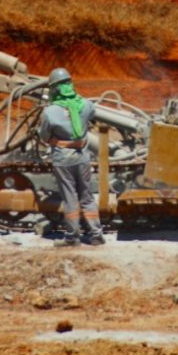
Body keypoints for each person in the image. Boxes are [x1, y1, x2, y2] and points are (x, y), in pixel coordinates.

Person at [38, 67, 105, 246]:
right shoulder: (85, 105)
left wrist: (57, 140)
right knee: (87, 196)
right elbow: (91, 115)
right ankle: (96, 234)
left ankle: (72, 237)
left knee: (70, 198)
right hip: (82, 155)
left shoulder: (50, 112)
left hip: (62, 158)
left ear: (54, 89)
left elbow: (44, 136)